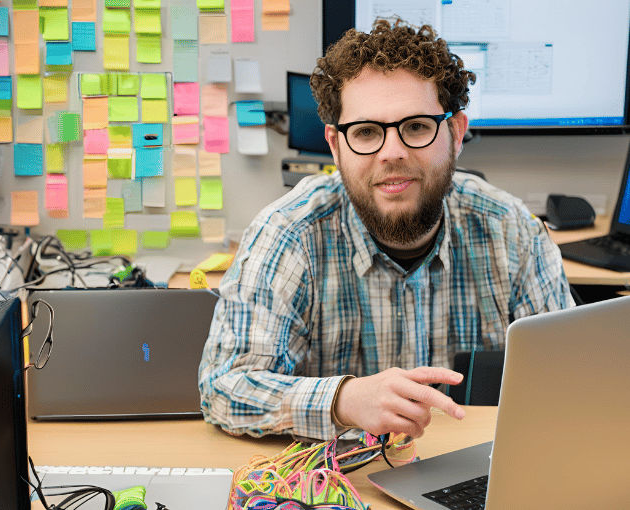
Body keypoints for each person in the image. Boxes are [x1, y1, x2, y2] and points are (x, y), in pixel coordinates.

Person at [199, 19, 574, 441]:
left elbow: (571, 384)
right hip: (340, 488)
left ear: (456, 131)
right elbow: (223, 387)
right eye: (365, 132)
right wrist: (344, 400)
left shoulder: (513, 232)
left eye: (416, 126)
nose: (392, 153)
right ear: (336, 147)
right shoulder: (290, 234)